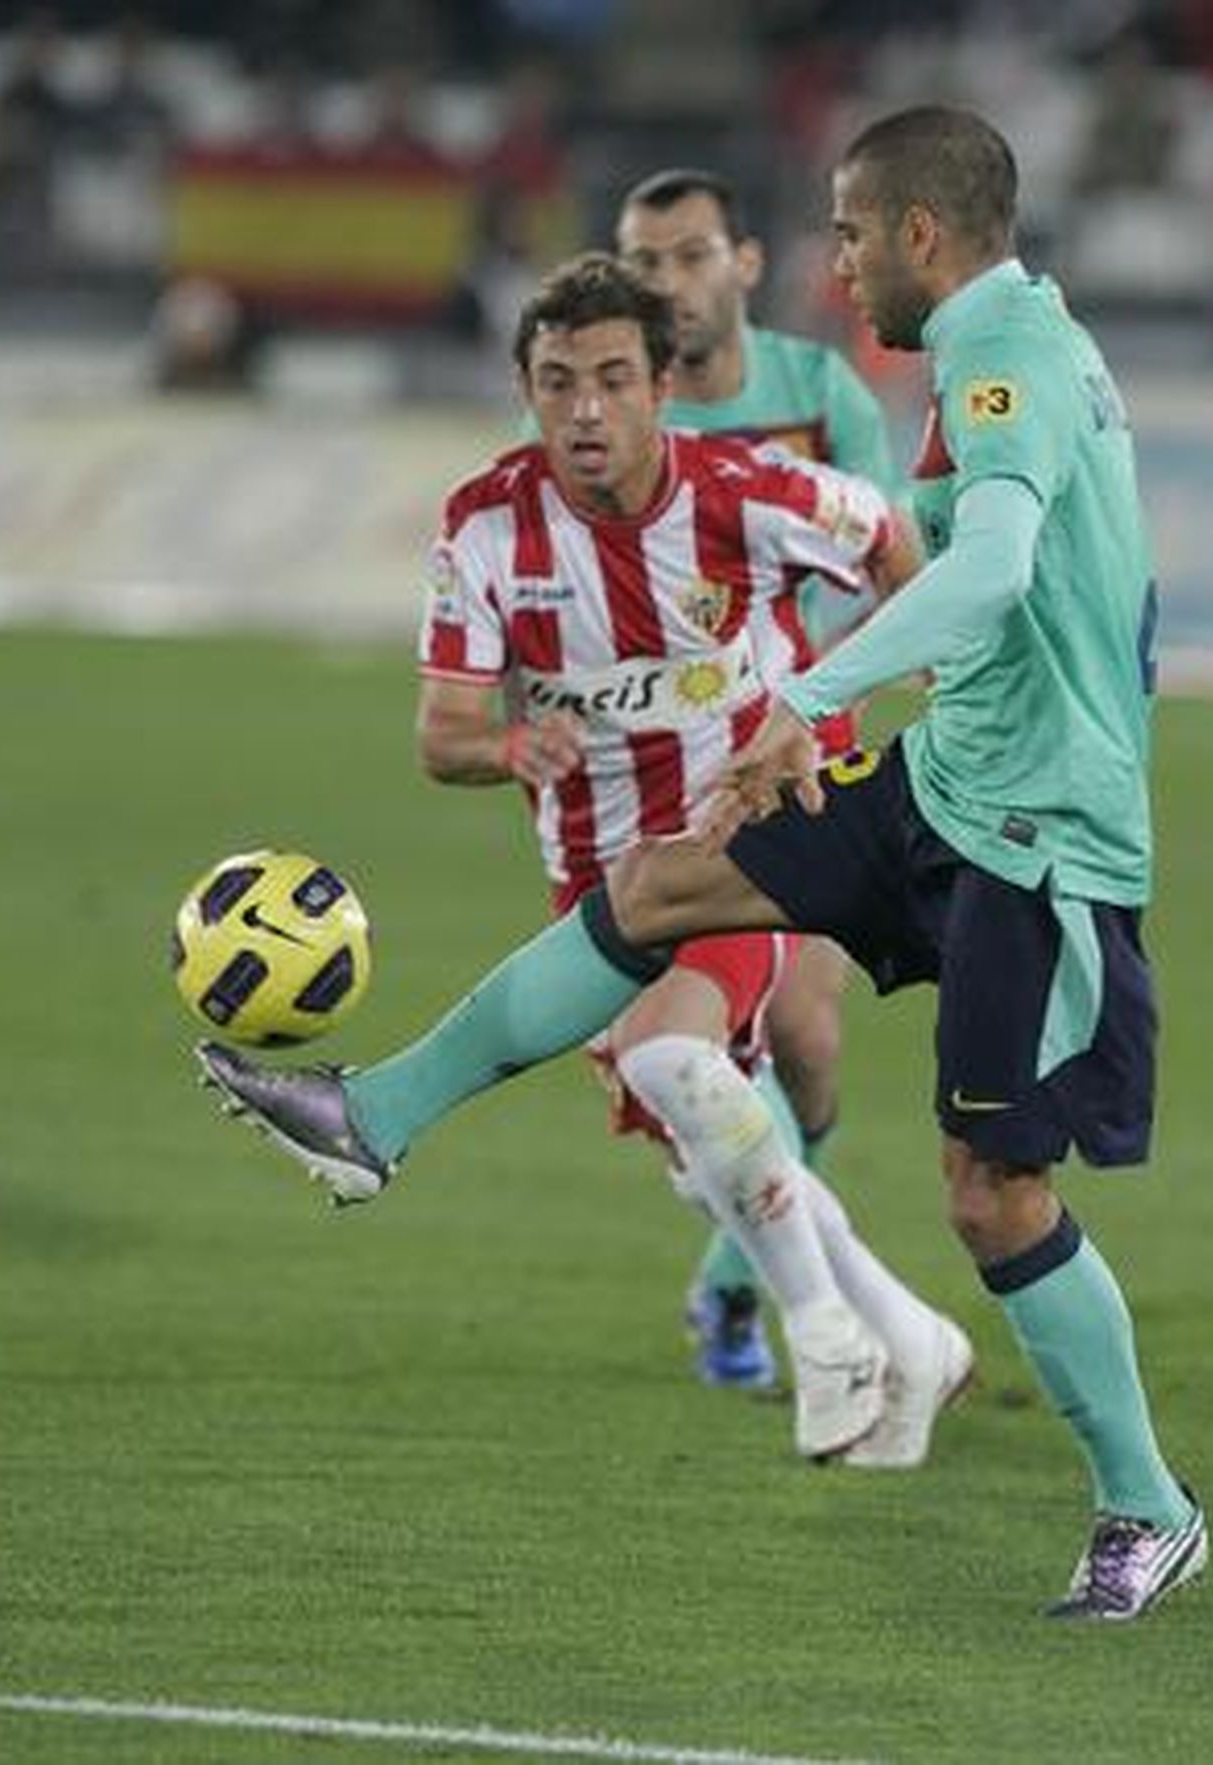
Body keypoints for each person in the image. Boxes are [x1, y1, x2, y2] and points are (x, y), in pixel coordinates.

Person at [199, 106, 1207, 1620]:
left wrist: (800, 695)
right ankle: (373, 1115)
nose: (838, 260)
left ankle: (1146, 1508)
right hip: (952, 777)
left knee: (995, 1196)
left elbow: (994, 569)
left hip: (1041, 834)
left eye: (853, 232)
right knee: (668, 883)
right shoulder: (1012, 349)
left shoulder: (1003, 363)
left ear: (921, 235)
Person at [250, 249, 970, 1468]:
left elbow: (898, 546)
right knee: (708, 1152)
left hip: (747, 842)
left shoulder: (748, 492)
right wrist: (513, 743)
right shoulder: (485, 525)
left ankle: (828, 1338)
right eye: (557, 381)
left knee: (675, 1058)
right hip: (594, 882)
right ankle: (915, 1333)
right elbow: (442, 734)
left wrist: (861, 697)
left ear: (660, 390)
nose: (585, 409)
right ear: (527, 390)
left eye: (612, 380)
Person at [613, 166, 899, 1389]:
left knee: (805, 1035)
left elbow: (895, 552)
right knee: (702, 1048)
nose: (661, 281)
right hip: (662, 756)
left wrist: (831, 705)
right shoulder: (605, 401)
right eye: (641, 259)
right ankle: (777, 1292)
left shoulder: (817, 392)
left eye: (684, 255)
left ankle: (737, 1278)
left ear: (742, 263)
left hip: (802, 731)